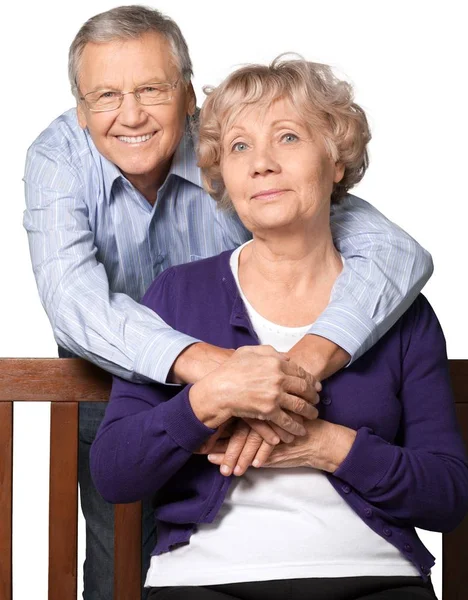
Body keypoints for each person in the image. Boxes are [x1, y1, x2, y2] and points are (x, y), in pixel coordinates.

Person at [24, 5, 433, 600]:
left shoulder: (237, 147)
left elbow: (398, 254)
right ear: (82, 111)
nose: (130, 114)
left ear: (189, 93)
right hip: (118, 383)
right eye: (106, 96)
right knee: (115, 572)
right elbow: (72, 302)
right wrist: (221, 375)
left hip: (265, 380)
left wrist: (298, 370)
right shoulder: (58, 156)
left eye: (151, 89)